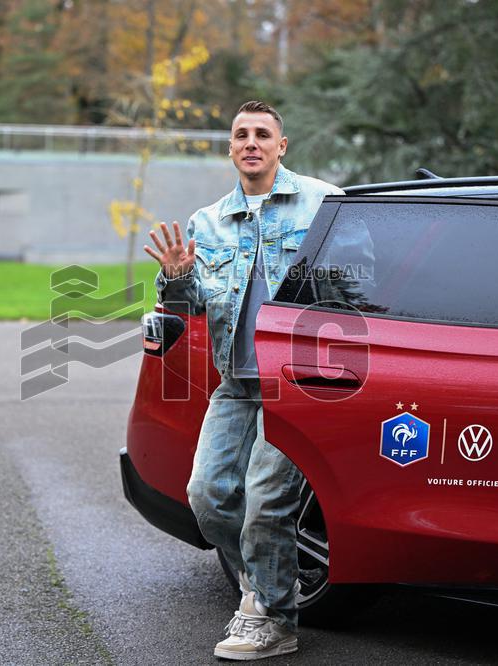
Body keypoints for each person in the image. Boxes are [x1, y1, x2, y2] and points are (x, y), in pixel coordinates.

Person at [143, 100, 343, 660]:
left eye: (262, 134)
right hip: (237, 381)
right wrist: (176, 278)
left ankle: (273, 617)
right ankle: (259, 588)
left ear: (282, 146)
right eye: (240, 135)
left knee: (264, 499)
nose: (250, 142)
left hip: (298, 381)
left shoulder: (326, 204)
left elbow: (359, 291)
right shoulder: (209, 221)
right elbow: (198, 302)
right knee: (207, 495)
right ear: (230, 148)